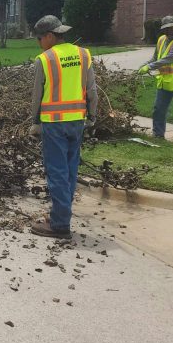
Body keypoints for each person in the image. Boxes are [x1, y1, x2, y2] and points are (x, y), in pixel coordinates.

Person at [29, 15, 98, 239]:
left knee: (57, 172)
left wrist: (35, 122)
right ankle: (61, 214)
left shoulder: (45, 59)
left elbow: (37, 97)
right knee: (69, 170)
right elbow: (92, 91)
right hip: (77, 122)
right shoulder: (83, 54)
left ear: (50, 36)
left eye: (40, 38)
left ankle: (60, 225)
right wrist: (93, 116)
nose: (39, 43)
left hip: (54, 124)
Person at [138, 16, 173, 146]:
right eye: (165, 28)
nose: (168, 30)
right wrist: (144, 65)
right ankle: (158, 135)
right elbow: (155, 58)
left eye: (170, 27)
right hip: (165, 81)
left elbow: (168, 59)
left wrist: (150, 67)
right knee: (159, 109)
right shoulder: (161, 40)